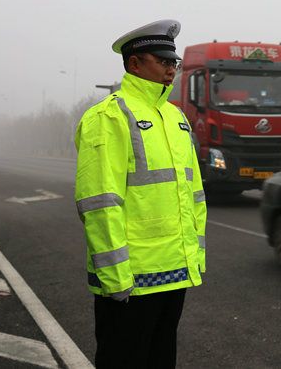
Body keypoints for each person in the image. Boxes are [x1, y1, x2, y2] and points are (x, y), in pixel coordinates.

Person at [74, 19, 207, 369]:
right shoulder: (108, 117)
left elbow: (194, 196)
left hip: (174, 272)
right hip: (130, 281)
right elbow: (100, 203)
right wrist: (116, 277)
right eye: (163, 61)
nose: (171, 69)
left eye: (174, 62)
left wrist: (194, 258)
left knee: (162, 360)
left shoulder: (176, 119)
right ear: (135, 64)